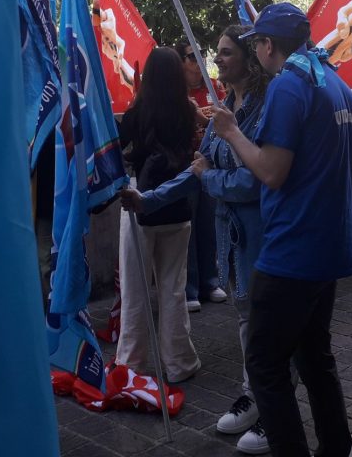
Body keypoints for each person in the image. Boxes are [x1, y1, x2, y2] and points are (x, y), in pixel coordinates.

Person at [213, 2, 352, 457]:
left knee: (264, 365)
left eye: (256, 43)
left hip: (293, 250)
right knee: (314, 357)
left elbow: (271, 172)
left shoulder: (290, 86)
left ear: (267, 45)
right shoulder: (333, 81)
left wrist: (231, 132)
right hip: (328, 245)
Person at [122, 27, 272, 453]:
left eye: (225, 53)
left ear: (250, 58)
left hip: (263, 236)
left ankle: (275, 410)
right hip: (229, 239)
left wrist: (211, 178)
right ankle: (254, 396)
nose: (216, 61)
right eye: (216, 53)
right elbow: (197, 169)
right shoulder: (223, 110)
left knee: (270, 324)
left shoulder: (267, 110)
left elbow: (256, 180)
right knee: (246, 319)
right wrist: (149, 199)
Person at [114, 47, 201, 383]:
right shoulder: (188, 111)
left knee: (134, 290)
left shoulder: (136, 113)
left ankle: (131, 364)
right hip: (177, 206)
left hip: (139, 205)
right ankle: (179, 363)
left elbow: (117, 150)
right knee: (173, 289)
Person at [174, 40, 227, 311]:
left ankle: (211, 281)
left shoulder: (215, 87)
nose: (199, 61)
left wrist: (203, 118)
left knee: (209, 225)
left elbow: (225, 123)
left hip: (211, 166)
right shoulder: (174, 94)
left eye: (201, 54)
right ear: (180, 63)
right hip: (185, 167)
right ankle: (190, 288)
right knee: (189, 229)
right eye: (191, 57)